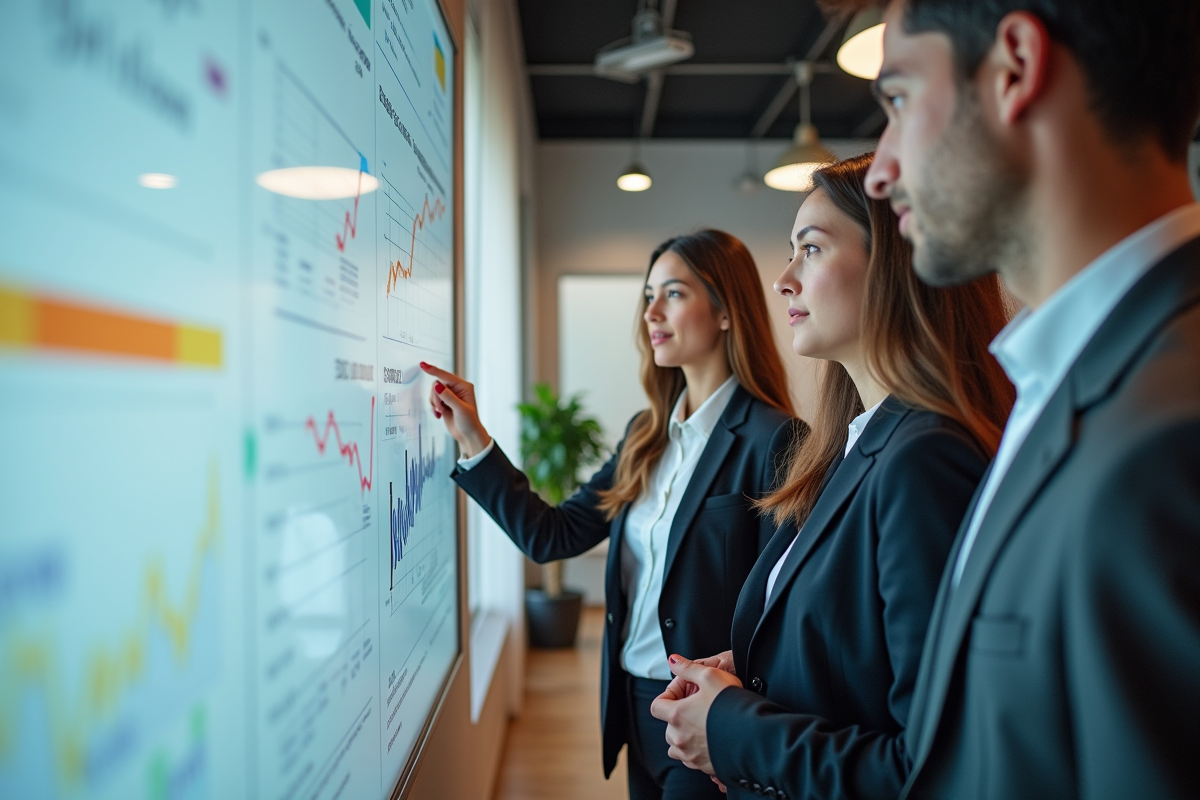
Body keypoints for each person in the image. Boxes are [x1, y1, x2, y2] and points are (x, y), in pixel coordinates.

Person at [835, 0, 1199, 796]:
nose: (880, 168)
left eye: (898, 101)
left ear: (1015, 68)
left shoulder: (1169, 437)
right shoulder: (1070, 381)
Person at [649, 153, 1015, 799]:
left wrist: (731, 728)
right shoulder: (855, 444)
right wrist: (753, 665)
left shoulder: (926, 460)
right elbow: (858, 650)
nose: (784, 279)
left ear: (896, 265)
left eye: (811, 249)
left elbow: (928, 768)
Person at [421, 229, 803, 800]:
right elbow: (553, 534)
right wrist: (473, 439)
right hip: (631, 704)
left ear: (726, 311)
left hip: (707, 714)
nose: (650, 311)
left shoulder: (774, 440)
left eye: (673, 293)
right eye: (648, 294)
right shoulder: (644, 437)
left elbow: (786, 609)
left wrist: (741, 720)